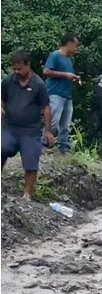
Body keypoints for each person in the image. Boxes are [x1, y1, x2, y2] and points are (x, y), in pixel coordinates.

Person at [2, 51, 54, 200]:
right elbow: (2, 99)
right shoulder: (8, 82)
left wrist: (48, 131)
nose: (16, 72)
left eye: (19, 69)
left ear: (28, 65)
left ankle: (27, 194)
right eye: (14, 69)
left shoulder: (38, 84)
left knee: (31, 162)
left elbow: (46, 107)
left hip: (30, 130)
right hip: (9, 127)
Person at [42, 34, 80, 154]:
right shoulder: (55, 55)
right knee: (53, 121)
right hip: (55, 93)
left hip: (67, 94)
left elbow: (67, 75)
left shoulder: (68, 59)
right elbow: (46, 71)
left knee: (65, 123)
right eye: (75, 46)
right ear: (69, 43)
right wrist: (65, 75)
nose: (76, 49)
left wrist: (73, 77)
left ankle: (64, 147)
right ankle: (44, 143)